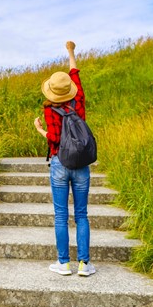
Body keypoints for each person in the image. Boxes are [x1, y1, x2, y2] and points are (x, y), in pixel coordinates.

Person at [33, 41, 96, 277]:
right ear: (69, 88)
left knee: (61, 215)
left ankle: (63, 264)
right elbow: (75, 73)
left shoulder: (50, 109)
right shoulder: (78, 100)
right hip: (81, 164)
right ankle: (84, 264)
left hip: (60, 162)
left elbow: (55, 139)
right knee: (82, 215)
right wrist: (71, 51)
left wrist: (40, 129)